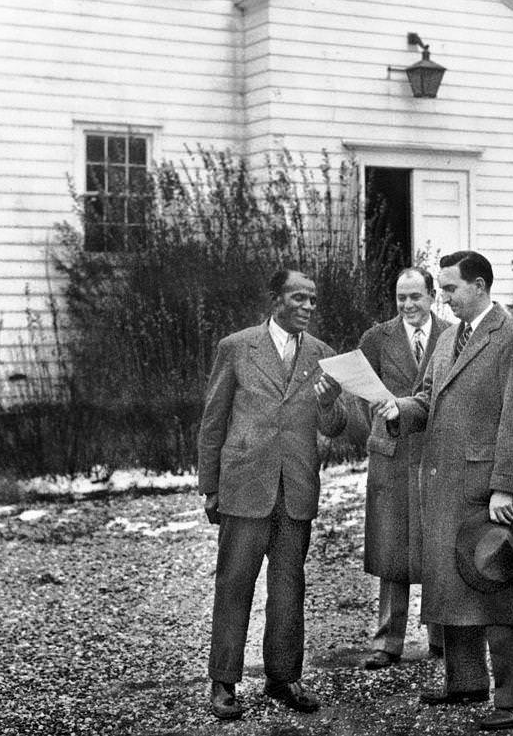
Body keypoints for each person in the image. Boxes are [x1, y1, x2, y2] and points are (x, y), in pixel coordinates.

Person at [376, 250, 513, 732]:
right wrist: (401, 410)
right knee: (453, 587)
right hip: (445, 487)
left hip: (489, 492)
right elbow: (430, 399)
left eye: (450, 289)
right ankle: (465, 682)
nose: (443, 298)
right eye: (443, 290)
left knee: (500, 590)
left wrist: (506, 488)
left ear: (478, 285)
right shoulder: (450, 337)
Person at [197, 268, 345, 721]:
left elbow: (336, 426)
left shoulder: (324, 356)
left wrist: (327, 401)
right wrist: (210, 486)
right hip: (244, 487)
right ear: (275, 300)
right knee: (234, 585)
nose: (307, 307)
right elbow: (213, 419)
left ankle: (284, 677)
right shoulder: (237, 347)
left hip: (295, 489)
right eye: (298, 298)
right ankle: (224, 681)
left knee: (289, 587)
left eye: (313, 300)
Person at [357, 266, 445, 669]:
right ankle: (387, 641)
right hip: (391, 455)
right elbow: (361, 396)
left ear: (432, 296)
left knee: (437, 545)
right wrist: (383, 422)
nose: (408, 305)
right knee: (392, 546)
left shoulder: (452, 336)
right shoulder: (376, 339)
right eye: (401, 298)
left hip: (434, 454)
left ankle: (442, 636)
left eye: (416, 297)